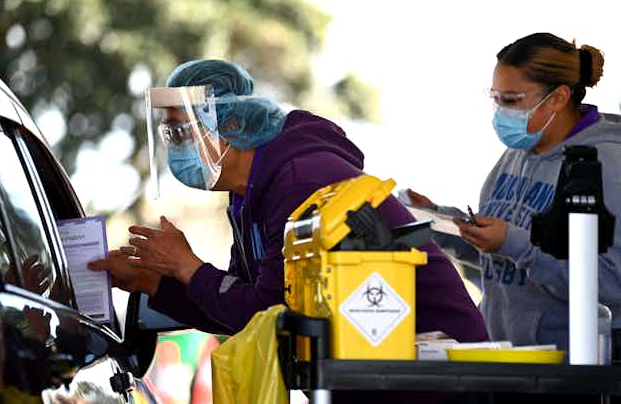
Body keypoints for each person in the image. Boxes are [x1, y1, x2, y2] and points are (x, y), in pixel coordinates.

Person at [88, 59, 487, 344]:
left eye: (182, 132)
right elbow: (240, 312)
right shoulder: (249, 195)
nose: (175, 148)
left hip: (437, 372)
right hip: (381, 371)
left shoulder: (302, 182)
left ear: (228, 124)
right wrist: (157, 284)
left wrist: (186, 266)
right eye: (169, 135)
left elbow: (272, 313)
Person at [408, 33, 621, 351]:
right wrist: (444, 226)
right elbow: (502, 259)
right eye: (495, 98)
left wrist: (516, 244)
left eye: (511, 100)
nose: (500, 113)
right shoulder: (518, 152)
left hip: (573, 371)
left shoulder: (607, 164)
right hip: (511, 361)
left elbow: (612, 282)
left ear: (558, 98)